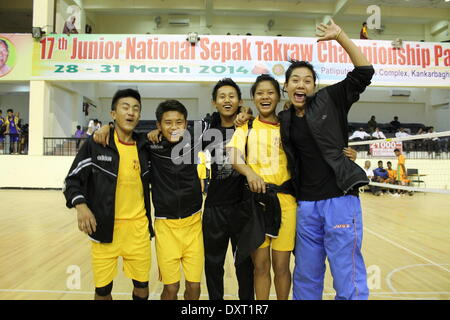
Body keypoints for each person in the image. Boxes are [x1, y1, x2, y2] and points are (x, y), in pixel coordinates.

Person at [280, 19, 373, 300]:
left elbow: (364, 71)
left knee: (347, 272)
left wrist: (340, 36)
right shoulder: (283, 118)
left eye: (307, 81)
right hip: (306, 205)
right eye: (295, 80)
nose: (301, 84)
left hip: (339, 200)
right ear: (286, 87)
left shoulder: (330, 99)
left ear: (314, 87)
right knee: (306, 275)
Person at [146, 78, 255, 300]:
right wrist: (150, 132)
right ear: (214, 102)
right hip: (215, 206)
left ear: (239, 101)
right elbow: (172, 127)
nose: (227, 100)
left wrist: (247, 113)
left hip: (244, 207)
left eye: (232, 96)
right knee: (213, 266)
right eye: (222, 96)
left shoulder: (250, 128)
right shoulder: (204, 129)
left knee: (244, 266)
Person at [63, 88, 153, 300]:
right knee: (102, 291)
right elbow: (72, 180)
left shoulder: (144, 146)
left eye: (136, 109)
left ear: (139, 115)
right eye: (125, 107)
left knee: (142, 288)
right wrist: (81, 206)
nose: (131, 112)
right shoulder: (96, 144)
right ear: (113, 114)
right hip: (104, 229)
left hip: (138, 230)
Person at [227, 74, 297, 300]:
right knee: (261, 266)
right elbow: (234, 155)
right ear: (253, 98)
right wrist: (249, 172)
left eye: (270, 92)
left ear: (278, 96)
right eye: (259, 93)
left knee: (282, 266)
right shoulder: (245, 126)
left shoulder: (288, 126)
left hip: (286, 204)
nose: (265, 97)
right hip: (255, 205)